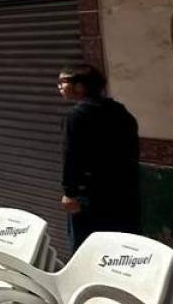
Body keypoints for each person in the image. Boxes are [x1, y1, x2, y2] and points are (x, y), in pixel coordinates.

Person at [58, 64, 141, 250]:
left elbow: (71, 156)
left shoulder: (76, 117)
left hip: (90, 195)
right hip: (123, 192)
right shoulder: (121, 111)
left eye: (63, 82)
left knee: (87, 248)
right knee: (121, 246)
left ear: (80, 86)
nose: (59, 86)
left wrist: (70, 193)